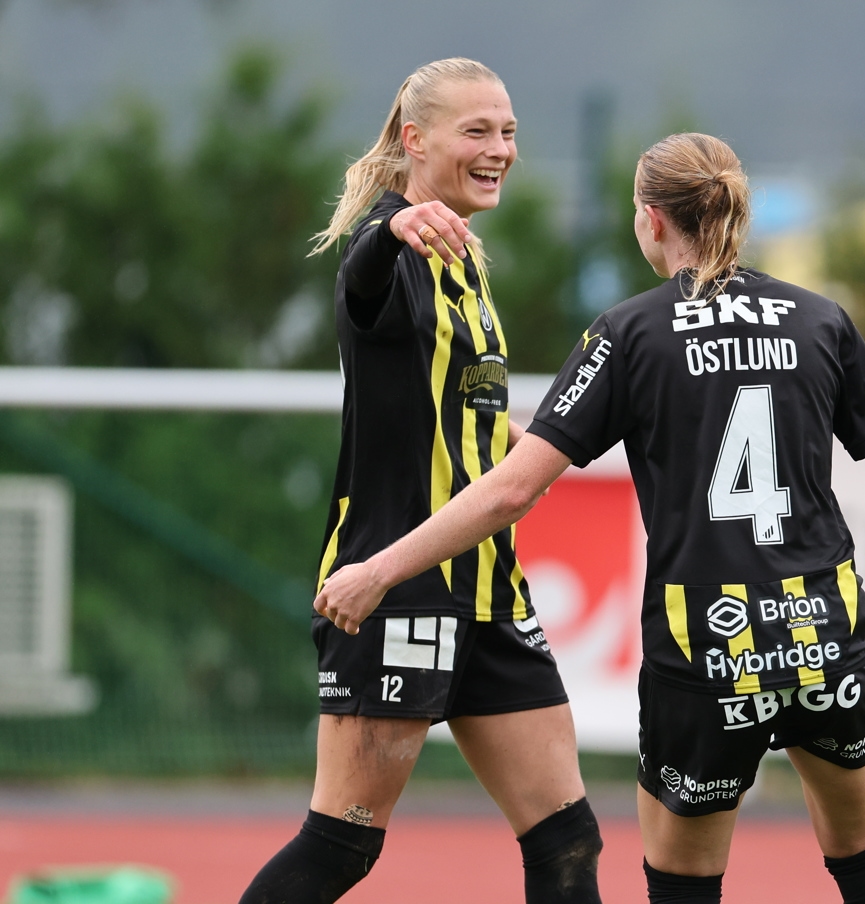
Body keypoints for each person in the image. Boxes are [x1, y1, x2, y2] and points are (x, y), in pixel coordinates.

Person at [316, 132, 865, 904]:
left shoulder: (629, 333)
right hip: (822, 633)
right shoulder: (819, 321)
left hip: (707, 647)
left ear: (651, 222)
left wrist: (379, 569)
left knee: (684, 882)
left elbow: (507, 493)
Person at [240, 59, 603, 904]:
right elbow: (360, 285)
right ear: (416, 140)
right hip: (395, 585)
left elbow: (461, 406)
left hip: (489, 587)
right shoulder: (396, 243)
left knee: (568, 841)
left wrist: (541, 443)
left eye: (508, 131)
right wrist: (386, 233)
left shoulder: (464, 255)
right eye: (477, 130)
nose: (500, 149)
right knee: (340, 848)